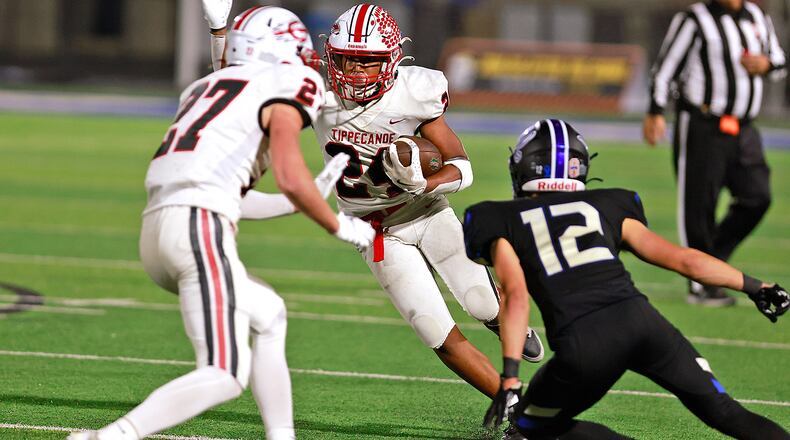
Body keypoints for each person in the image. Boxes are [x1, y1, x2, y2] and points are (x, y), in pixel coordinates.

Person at [67, 7, 375, 440]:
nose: (307, 62)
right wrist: (336, 224)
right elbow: (289, 174)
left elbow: (236, 196)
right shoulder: (288, 84)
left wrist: (296, 204)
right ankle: (108, 437)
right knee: (224, 373)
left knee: (269, 314)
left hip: (162, 227)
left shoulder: (202, 88)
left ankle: (281, 434)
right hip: (198, 229)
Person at [464, 119, 790, 440]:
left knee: (531, 426)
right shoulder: (607, 204)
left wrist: (509, 377)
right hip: (645, 325)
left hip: (585, 342)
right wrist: (755, 286)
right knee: (725, 411)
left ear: (523, 168)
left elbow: (515, 295)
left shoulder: (498, 218)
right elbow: (684, 260)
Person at [306, 3, 545, 400]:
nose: (354, 73)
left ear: (391, 61)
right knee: (433, 328)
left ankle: (503, 322)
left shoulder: (414, 93)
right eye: (346, 61)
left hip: (428, 213)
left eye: (367, 63)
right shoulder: (316, 96)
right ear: (331, 58)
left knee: (481, 303)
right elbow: (236, 92)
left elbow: (461, 166)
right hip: (375, 232)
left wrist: (425, 182)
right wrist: (218, 35)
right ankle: (517, 406)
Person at [642, 0, 787, 306]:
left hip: (744, 127)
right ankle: (700, 284)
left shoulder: (757, 16)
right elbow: (665, 68)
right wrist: (655, 111)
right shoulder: (695, 19)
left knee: (757, 196)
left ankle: (713, 263)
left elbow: (779, 62)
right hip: (702, 123)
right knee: (699, 204)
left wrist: (766, 64)